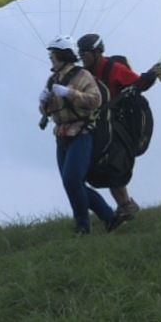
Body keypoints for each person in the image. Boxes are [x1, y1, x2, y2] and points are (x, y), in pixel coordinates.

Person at [39, 35, 125, 236]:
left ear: (61, 55)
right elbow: (48, 111)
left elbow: (95, 100)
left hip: (82, 133)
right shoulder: (53, 80)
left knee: (72, 181)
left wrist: (69, 93)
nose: (50, 57)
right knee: (72, 184)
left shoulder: (82, 76)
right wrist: (43, 103)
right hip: (61, 135)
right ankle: (110, 218)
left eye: (52, 54)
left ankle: (82, 226)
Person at [77, 33, 161, 221]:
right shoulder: (84, 74)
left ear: (97, 52)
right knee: (99, 165)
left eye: (85, 53)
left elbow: (137, 84)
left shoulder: (113, 68)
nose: (81, 57)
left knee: (113, 164)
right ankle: (124, 206)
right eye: (80, 53)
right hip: (99, 126)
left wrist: (150, 75)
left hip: (118, 125)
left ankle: (126, 206)